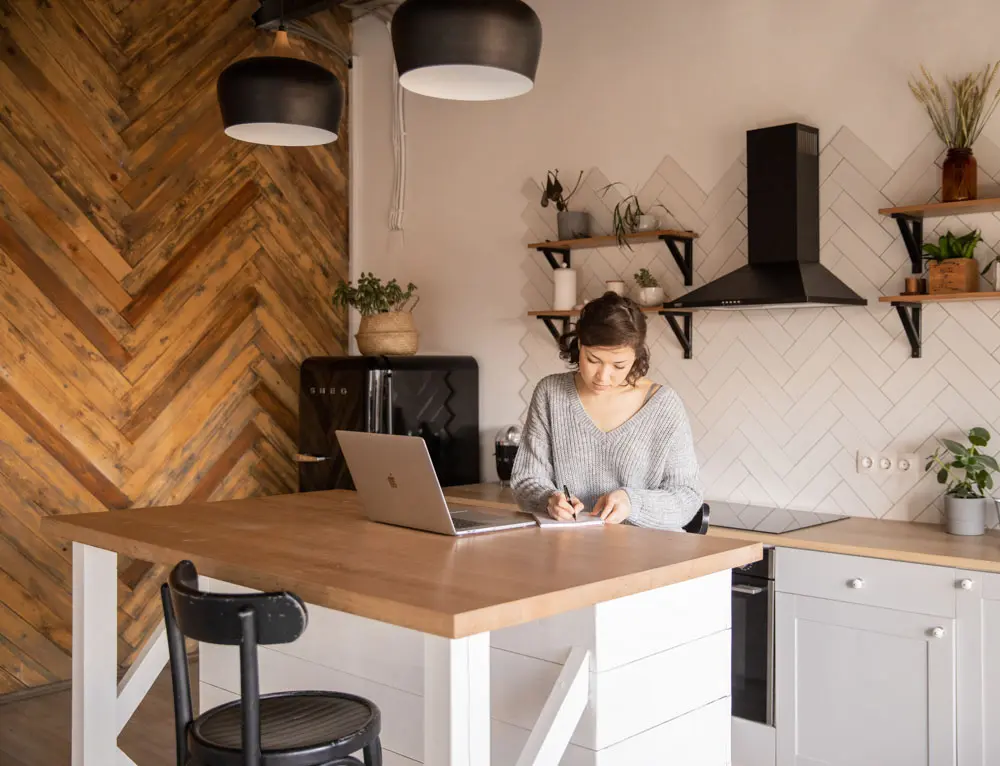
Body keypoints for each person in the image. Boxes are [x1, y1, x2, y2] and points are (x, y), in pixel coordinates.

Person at [511, 292, 702, 529]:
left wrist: (633, 502)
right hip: (570, 550)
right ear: (580, 345)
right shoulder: (551, 393)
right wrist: (549, 499)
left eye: (618, 365)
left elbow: (687, 497)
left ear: (636, 356)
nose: (603, 376)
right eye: (593, 360)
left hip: (648, 554)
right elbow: (526, 480)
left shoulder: (663, 404)